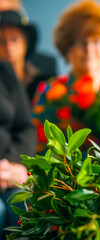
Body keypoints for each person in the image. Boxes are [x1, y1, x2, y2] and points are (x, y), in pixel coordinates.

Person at [33, 0, 100, 153]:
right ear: (67, 50)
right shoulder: (50, 91)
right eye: (81, 42)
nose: (89, 48)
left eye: (97, 41)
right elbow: (37, 145)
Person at [0, 61, 36, 235]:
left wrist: (14, 164)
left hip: (8, 173)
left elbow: (26, 127)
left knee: (27, 204)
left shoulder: (5, 71)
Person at [0, 10, 56, 102]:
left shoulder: (44, 80)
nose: (8, 46)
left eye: (14, 39)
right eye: (1, 41)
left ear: (26, 41)